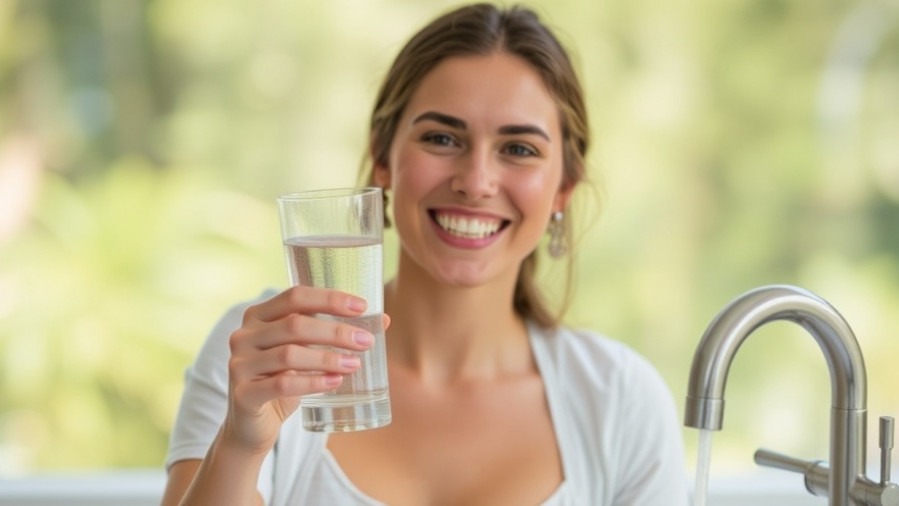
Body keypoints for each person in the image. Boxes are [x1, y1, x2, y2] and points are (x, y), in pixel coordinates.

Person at [161, 3, 689, 505]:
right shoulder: (266, 357)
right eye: (441, 138)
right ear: (383, 159)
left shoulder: (622, 401)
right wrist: (238, 444)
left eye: (519, 149)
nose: (476, 181)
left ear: (563, 188)